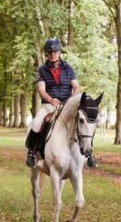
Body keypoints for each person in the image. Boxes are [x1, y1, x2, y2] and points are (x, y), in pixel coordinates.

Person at [25, 38, 97, 168]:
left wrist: (70, 100)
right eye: (50, 52)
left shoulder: (68, 68)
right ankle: (32, 153)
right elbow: (41, 90)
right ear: (46, 54)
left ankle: (89, 155)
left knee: (84, 123)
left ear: (59, 52)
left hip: (66, 105)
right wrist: (52, 100)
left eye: (55, 52)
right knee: (36, 123)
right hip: (48, 105)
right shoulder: (42, 70)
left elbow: (76, 87)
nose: (53, 55)